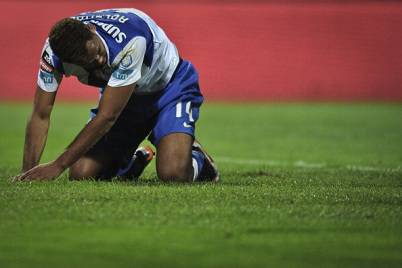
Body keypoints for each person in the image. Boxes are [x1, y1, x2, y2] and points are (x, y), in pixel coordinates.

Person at [16, 8, 219, 182]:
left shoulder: (131, 41)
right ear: (69, 60)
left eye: (95, 50)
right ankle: (132, 163)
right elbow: (41, 114)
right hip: (127, 96)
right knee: (81, 173)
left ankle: (198, 158)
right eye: (87, 62)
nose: (98, 60)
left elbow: (107, 117)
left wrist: (58, 165)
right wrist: (28, 172)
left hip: (170, 88)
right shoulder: (53, 54)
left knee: (173, 173)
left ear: (91, 30)